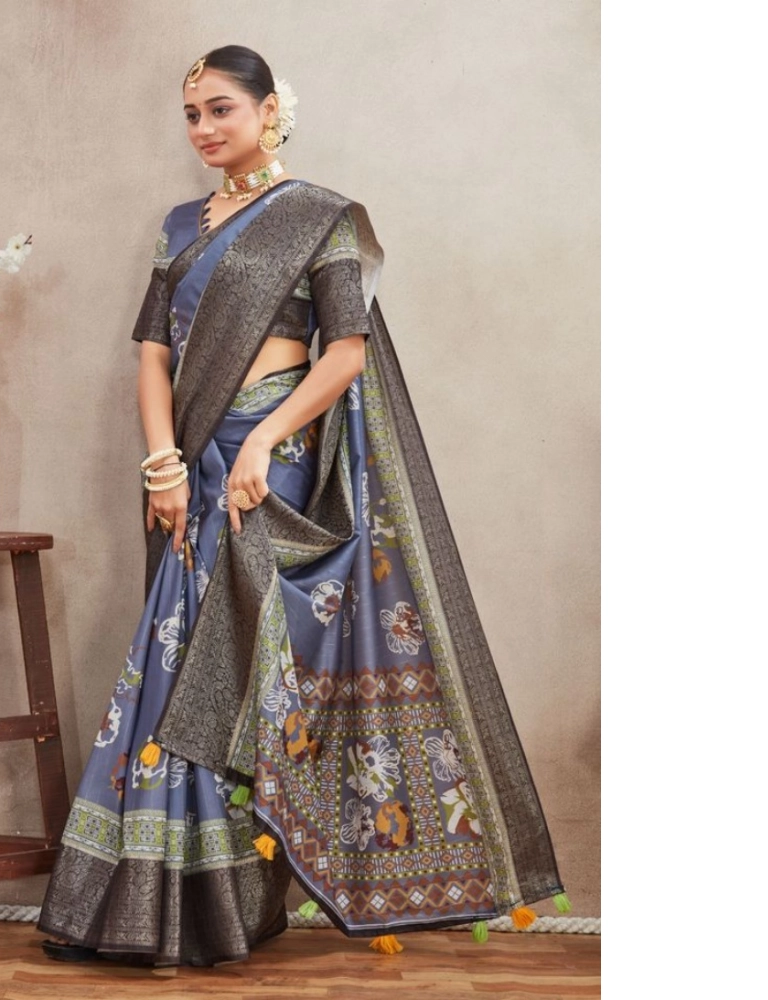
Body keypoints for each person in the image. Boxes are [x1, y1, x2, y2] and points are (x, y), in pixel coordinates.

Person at [38, 44, 568, 968]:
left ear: (269, 110)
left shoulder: (321, 217)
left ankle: (221, 905)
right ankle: (149, 903)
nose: (204, 129)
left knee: (233, 665)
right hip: (189, 464)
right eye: (192, 114)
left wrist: (261, 441)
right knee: (171, 656)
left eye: (221, 109)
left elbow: (344, 353)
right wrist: (162, 462)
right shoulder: (179, 226)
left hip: (269, 464)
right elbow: (155, 354)